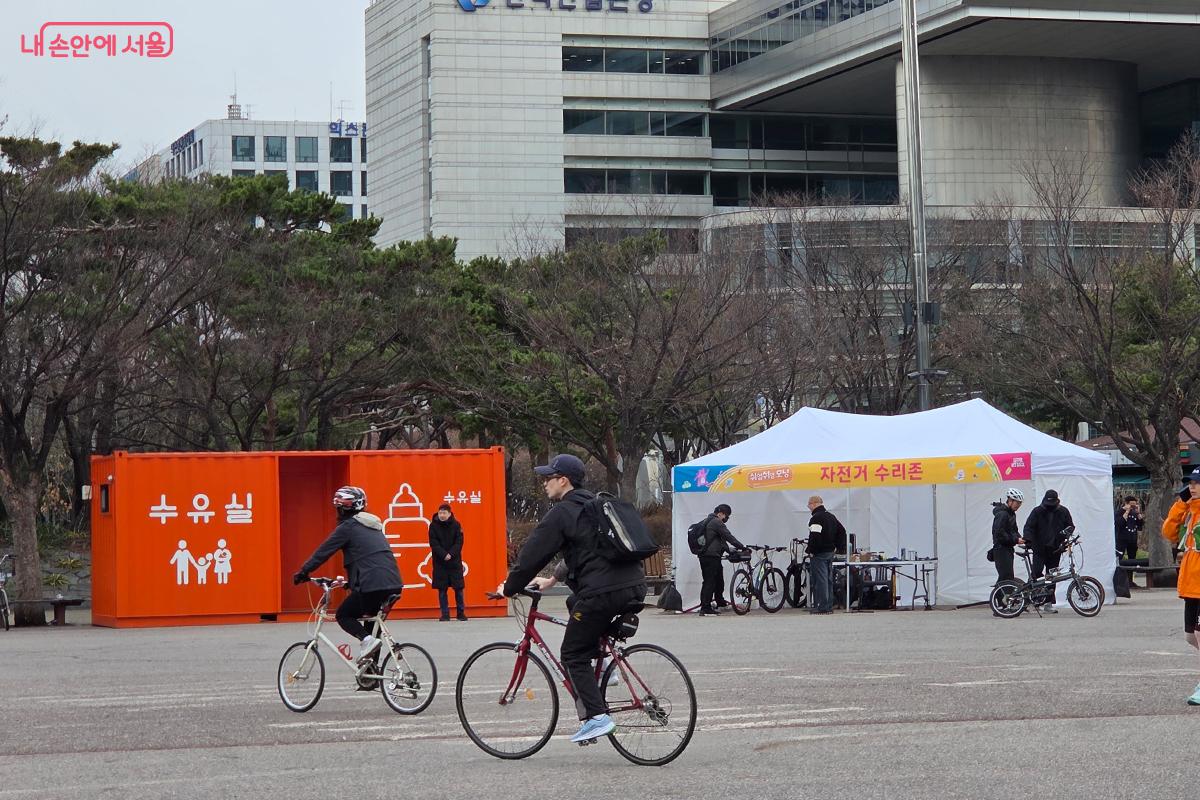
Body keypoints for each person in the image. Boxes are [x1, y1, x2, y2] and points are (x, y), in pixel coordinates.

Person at [497, 453, 647, 744]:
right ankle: (603, 667)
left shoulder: (563, 512)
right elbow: (585, 550)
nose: (544, 484)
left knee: (573, 654)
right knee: (572, 603)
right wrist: (553, 579)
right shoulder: (595, 506)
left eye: (547, 478)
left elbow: (531, 556)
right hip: (633, 586)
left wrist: (509, 587)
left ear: (562, 480)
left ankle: (597, 717)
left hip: (602, 592)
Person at [293, 486, 404, 662]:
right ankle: (371, 673)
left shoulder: (349, 527)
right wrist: (349, 583)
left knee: (343, 615)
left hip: (372, 586)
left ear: (343, 508)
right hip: (394, 583)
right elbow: (371, 561)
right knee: (371, 626)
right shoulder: (373, 526)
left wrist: (303, 572)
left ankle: (367, 642)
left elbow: (324, 551)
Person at [1161, 479, 1200, 705]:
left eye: (1197, 483)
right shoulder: (1189, 511)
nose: (1192, 488)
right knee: (1189, 637)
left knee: (1199, 634)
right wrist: (1181, 504)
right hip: (1190, 584)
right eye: (1191, 483)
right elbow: (1169, 532)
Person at [1021, 489, 1074, 613]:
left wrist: (1065, 535)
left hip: (1055, 550)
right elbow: (1029, 526)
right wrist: (1028, 539)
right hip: (1039, 548)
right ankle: (1032, 600)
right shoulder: (1037, 511)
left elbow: (1070, 526)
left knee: (1052, 576)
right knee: (1037, 573)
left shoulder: (1063, 511)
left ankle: (1048, 603)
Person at [696, 503, 744, 616]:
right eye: (726, 515)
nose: (726, 518)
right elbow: (728, 536)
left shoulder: (707, 520)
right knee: (710, 581)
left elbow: (721, 541)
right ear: (720, 513)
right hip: (710, 556)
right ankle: (705, 608)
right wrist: (742, 547)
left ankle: (720, 601)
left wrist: (730, 550)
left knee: (718, 580)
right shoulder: (716, 522)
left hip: (710, 556)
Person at [428, 503, 467, 621]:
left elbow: (459, 542)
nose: (442, 515)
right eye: (440, 513)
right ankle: (445, 614)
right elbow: (433, 543)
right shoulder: (433, 526)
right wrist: (444, 554)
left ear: (449, 514)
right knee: (442, 589)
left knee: (458, 589)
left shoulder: (456, 525)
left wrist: (451, 554)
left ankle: (461, 613)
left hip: (454, 562)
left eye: (444, 513)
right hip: (440, 562)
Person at [806, 495, 845, 615]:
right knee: (828, 580)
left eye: (809, 505)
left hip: (819, 553)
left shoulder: (816, 518)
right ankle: (828, 606)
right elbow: (842, 531)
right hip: (829, 552)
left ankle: (822, 606)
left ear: (814, 504)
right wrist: (838, 547)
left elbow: (815, 536)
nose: (808, 507)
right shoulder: (831, 516)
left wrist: (811, 550)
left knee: (820, 580)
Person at [991, 488, 1025, 586]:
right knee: (1005, 577)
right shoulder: (1002, 514)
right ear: (1010, 501)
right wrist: (1015, 539)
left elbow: (1014, 530)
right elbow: (999, 534)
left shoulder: (1011, 514)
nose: (1018, 505)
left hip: (1008, 549)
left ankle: (1002, 598)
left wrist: (1021, 539)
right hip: (1000, 549)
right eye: (1017, 503)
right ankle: (998, 599)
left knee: (1008, 576)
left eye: (1020, 503)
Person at [1114, 496, 1143, 562]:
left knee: (1132, 558)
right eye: (1131, 505)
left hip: (1132, 539)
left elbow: (1140, 525)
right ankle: (1119, 571)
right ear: (1126, 504)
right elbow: (1120, 523)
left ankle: (1130, 571)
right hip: (1122, 539)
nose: (1132, 507)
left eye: (1134, 505)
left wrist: (1138, 514)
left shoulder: (1135, 513)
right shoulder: (1119, 512)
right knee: (1119, 557)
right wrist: (1126, 511)